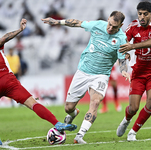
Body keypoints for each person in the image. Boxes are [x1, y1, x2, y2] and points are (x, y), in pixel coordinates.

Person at [0, 18, 77, 146]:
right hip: (7, 80)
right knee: (32, 103)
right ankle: (57, 123)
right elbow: (4, 38)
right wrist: (20, 30)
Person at [42, 11, 130, 144]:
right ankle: (73, 113)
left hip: (101, 75)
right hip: (83, 71)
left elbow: (122, 60)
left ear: (121, 25)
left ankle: (79, 136)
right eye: (110, 24)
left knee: (95, 103)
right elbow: (77, 23)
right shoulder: (98, 25)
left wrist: (123, 71)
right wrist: (57, 22)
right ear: (108, 19)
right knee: (68, 108)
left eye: (115, 27)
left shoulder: (121, 39)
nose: (110, 28)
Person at [116, 1, 151, 141]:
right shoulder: (132, 26)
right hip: (138, 72)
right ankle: (126, 120)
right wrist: (126, 54)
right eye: (140, 14)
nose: (142, 17)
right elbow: (124, 44)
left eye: (145, 14)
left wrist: (132, 47)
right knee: (133, 108)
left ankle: (133, 131)